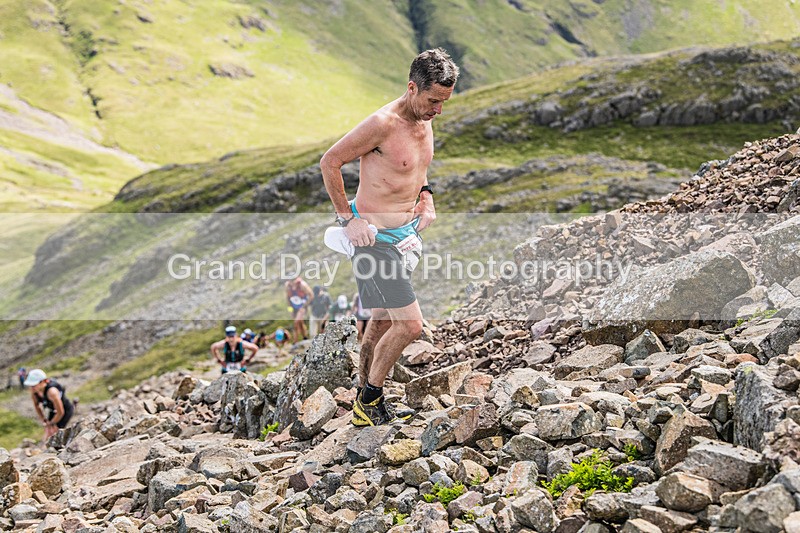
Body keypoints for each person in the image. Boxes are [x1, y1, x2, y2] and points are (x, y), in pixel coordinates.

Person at [320, 48, 458, 426]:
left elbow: (416, 168)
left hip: (404, 236)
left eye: (444, 103)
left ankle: (364, 395)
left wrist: (426, 197)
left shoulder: (425, 118)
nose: (438, 110)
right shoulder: (382, 124)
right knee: (410, 325)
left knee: (381, 322)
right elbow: (330, 162)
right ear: (412, 88)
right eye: (433, 101)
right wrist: (348, 220)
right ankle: (369, 401)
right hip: (373, 241)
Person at [24, 369, 74, 440]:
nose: (32, 388)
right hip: (53, 410)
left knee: (55, 432)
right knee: (48, 431)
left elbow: (60, 412)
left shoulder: (52, 392)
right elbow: (37, 406)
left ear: (43, 381)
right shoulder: (34, 392)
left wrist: (51, 423)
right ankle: (46, 445)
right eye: (30, 385)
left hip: (65, 410)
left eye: (34, 385)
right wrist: (43, 419)